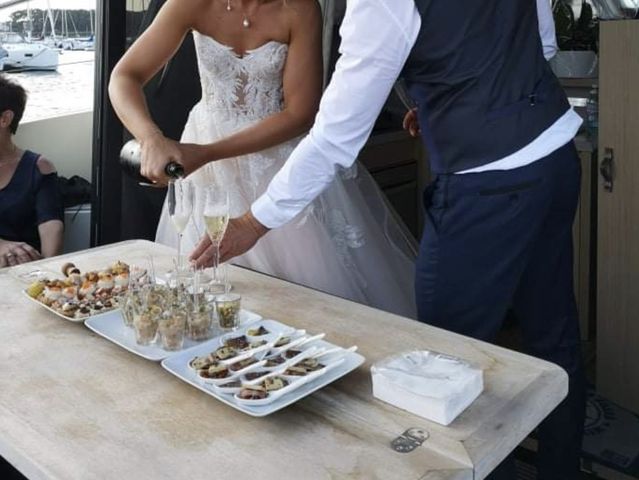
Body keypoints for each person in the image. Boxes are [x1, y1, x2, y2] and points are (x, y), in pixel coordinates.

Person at [189, 0, 586, 479]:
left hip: (486, 185)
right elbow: (537, 42)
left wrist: (254, 221)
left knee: (446, 369)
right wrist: (447, 100)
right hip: (554, 153)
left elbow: (336, 137)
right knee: (554, 337)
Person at [108, 0, 417, 318]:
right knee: (207, 289)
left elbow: (300, 114)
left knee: (309, 296)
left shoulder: (300, 9)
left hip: (275, 161)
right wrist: (150, 139)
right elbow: (124, 77)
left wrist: (206, 153)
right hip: (206, 171)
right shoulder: (191, 3)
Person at [0, 75, 64, 268]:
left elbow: (52, 228)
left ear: (5, 119)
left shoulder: (38, 168)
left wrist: (42, 276)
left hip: (23, 269)